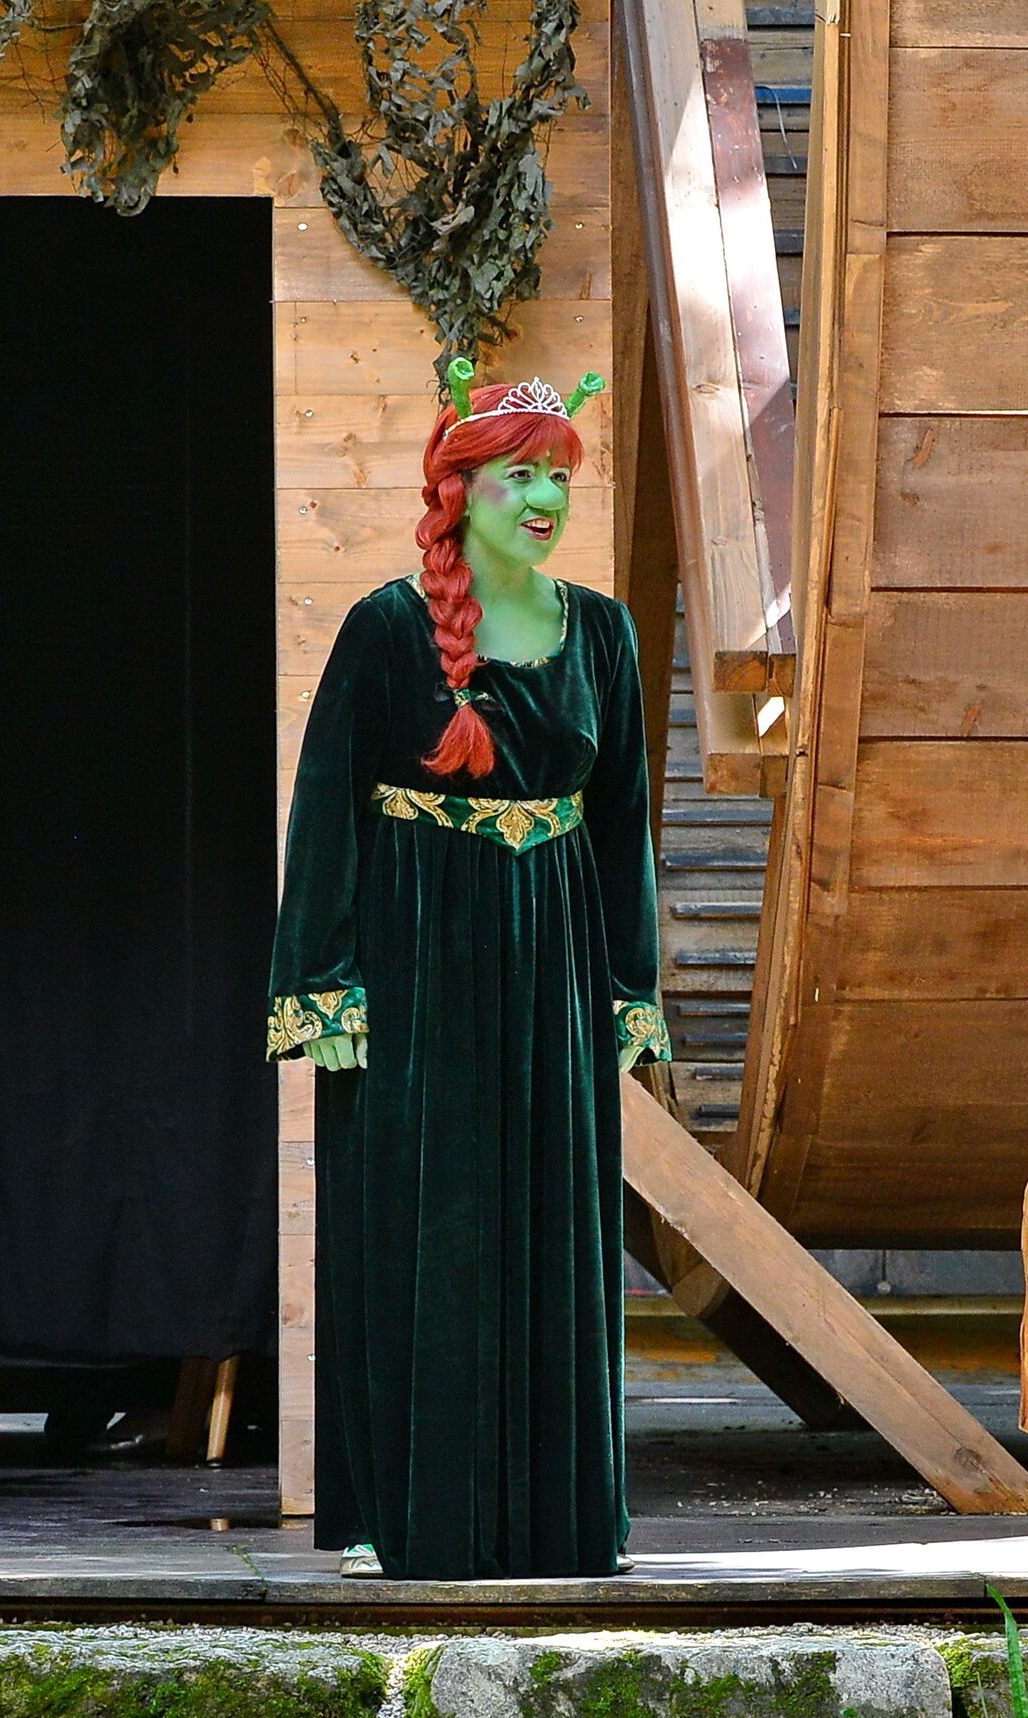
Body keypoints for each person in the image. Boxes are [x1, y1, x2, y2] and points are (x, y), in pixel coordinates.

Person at [266, 368, 668, 1581]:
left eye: (558, 476)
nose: (545, 498)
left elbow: (623, 822)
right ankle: (399, 1513)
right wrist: (324, 981)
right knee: (415, 1221)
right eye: (517, 475)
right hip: (416, 952)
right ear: (459, 490)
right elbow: (325, 806)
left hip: (553, 958)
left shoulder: (604, 632)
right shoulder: (387, 627)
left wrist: (629, 988)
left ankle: (558, 1519)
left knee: (554, 1220)